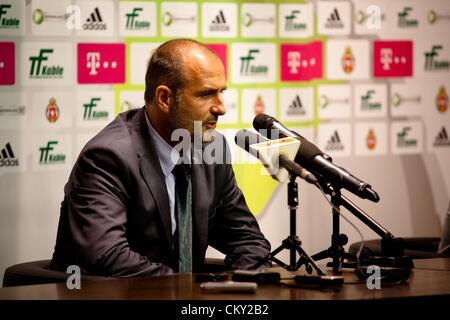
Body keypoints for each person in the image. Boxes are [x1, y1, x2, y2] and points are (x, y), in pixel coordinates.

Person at [49, 39, 271, 277]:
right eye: (206, 94)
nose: (221, 108)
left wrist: (242, 285)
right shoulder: (108, 157)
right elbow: (107, 257)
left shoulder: (211, 150)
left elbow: (248, 241)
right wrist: (188, 292)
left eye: (221, 93)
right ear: (165, 99)